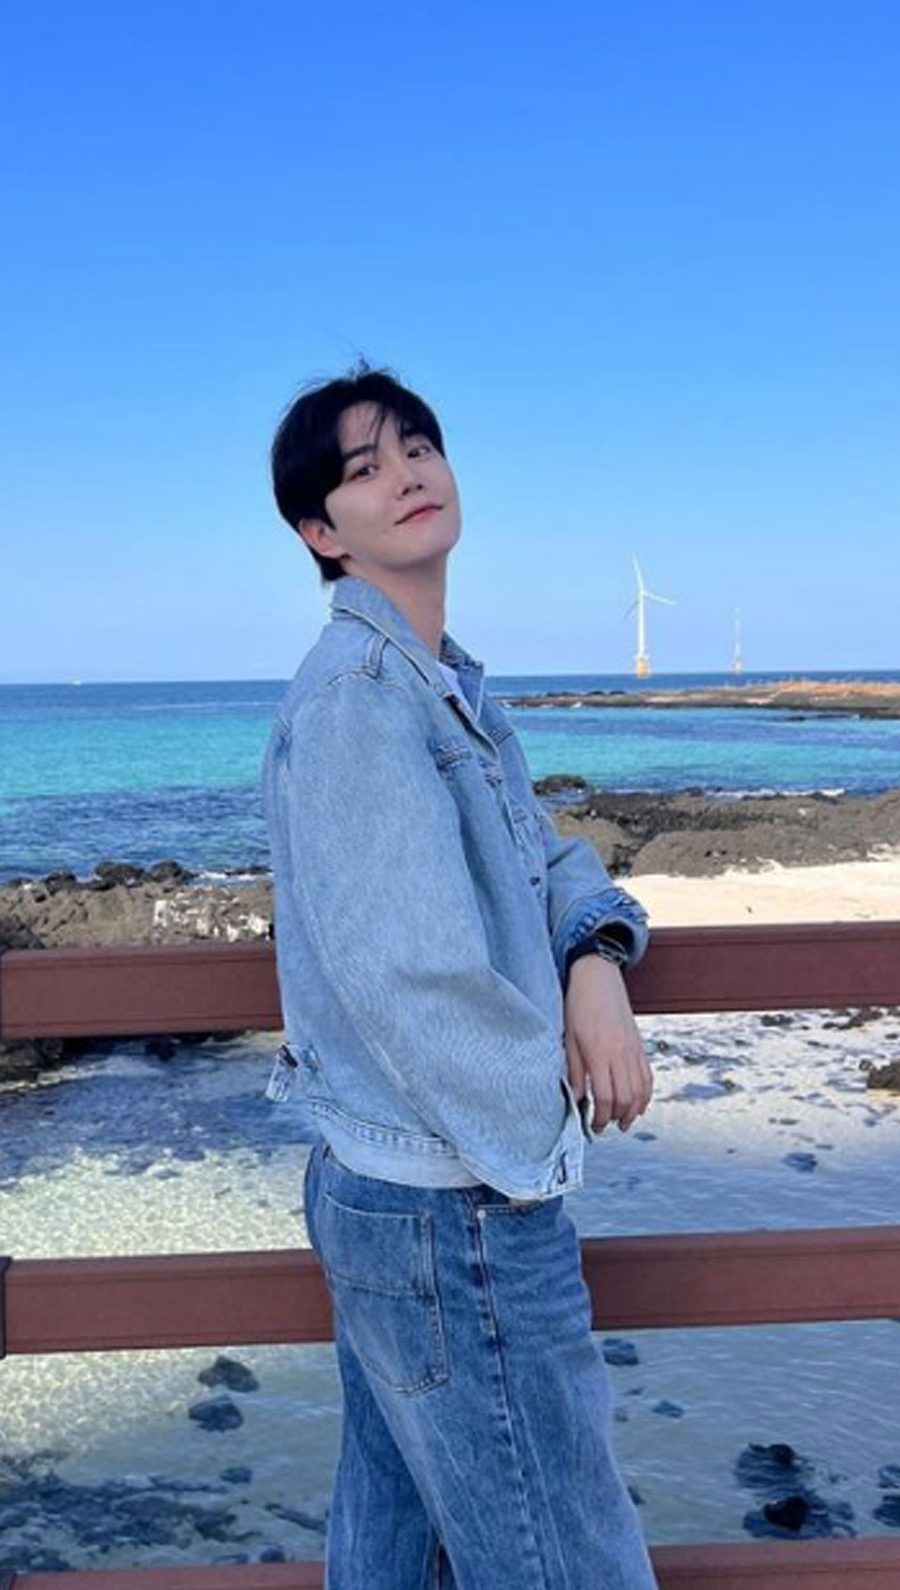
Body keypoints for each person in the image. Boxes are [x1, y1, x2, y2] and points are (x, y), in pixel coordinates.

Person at [262, 365, 659, 1589]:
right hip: (457, 1203)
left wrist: (592, 958)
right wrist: (542, 1148)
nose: (406, 475)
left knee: (392, 1554)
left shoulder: (440, 683)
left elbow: (545, 851)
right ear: (321, 532)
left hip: (407, 1193)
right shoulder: (361, 700)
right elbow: (416, 976)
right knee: (569, 1560)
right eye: (363, 468)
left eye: (418, 447)